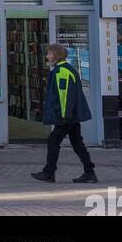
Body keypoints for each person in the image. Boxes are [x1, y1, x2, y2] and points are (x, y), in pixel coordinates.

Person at [32, 43, 97, 184]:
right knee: (77, 142)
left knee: (53, 140)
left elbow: (64, 96)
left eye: (49, 53)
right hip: (70, 115)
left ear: (56, 55)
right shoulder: (65, 69)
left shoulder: (61, 71)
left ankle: (49, 172)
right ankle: (89, 172)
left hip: (66, 116)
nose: (47, 56)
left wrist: (64, 116)